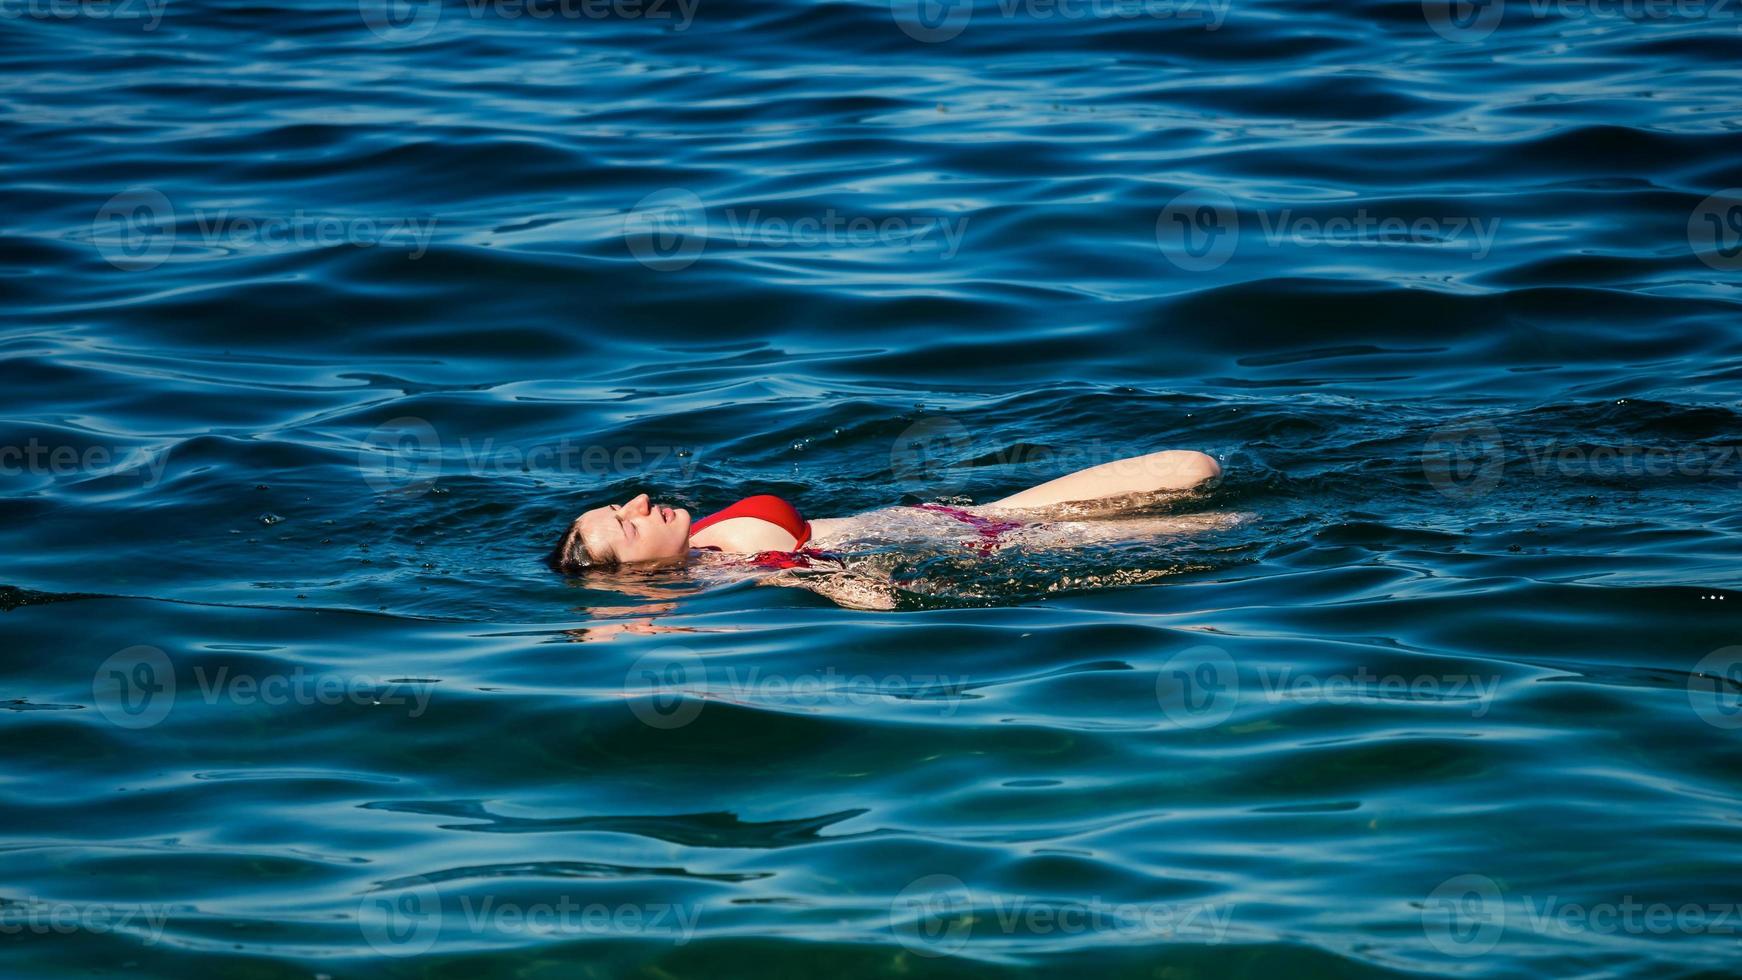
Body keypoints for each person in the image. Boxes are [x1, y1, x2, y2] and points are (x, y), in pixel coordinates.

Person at [548, 449, 1224, 575]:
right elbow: (848, 585)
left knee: (1196, 466)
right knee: (1227, 530)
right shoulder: (733, 570)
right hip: (997, 549)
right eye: (628, 523)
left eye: (621, 503)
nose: (640, 502)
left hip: (978, 513)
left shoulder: (697, 536)